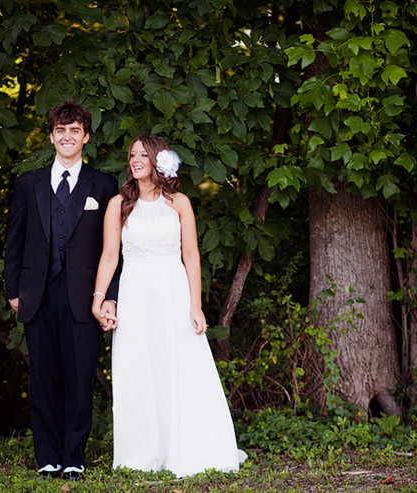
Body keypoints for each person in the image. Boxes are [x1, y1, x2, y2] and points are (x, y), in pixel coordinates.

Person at [92, 136, 245, 477]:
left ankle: (188, 446)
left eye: (142, 154)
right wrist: (99, 298)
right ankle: (142, 452)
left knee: (180, 366)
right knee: (139, 368)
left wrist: (196, 306)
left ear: (159, 160)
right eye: (131, 155)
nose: (135, 159)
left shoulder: (179, 202)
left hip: (173, 292)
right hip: (134, 295)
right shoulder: (119, 204)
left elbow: (191, 256)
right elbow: (108, 256)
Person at [3, 101, 119, 481]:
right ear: (51, 136)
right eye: (60, 130)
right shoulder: (28, 183)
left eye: (74, 130)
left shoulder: (103, 186)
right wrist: (13, 290)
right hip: (36, 294)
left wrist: (110, 296)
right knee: (44, 378)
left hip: (85, 296)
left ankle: (74, 456)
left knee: (79, 377)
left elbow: (114, 250)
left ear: (86, 136)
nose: (67, 137)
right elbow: (14, 241)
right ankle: (47, 456)